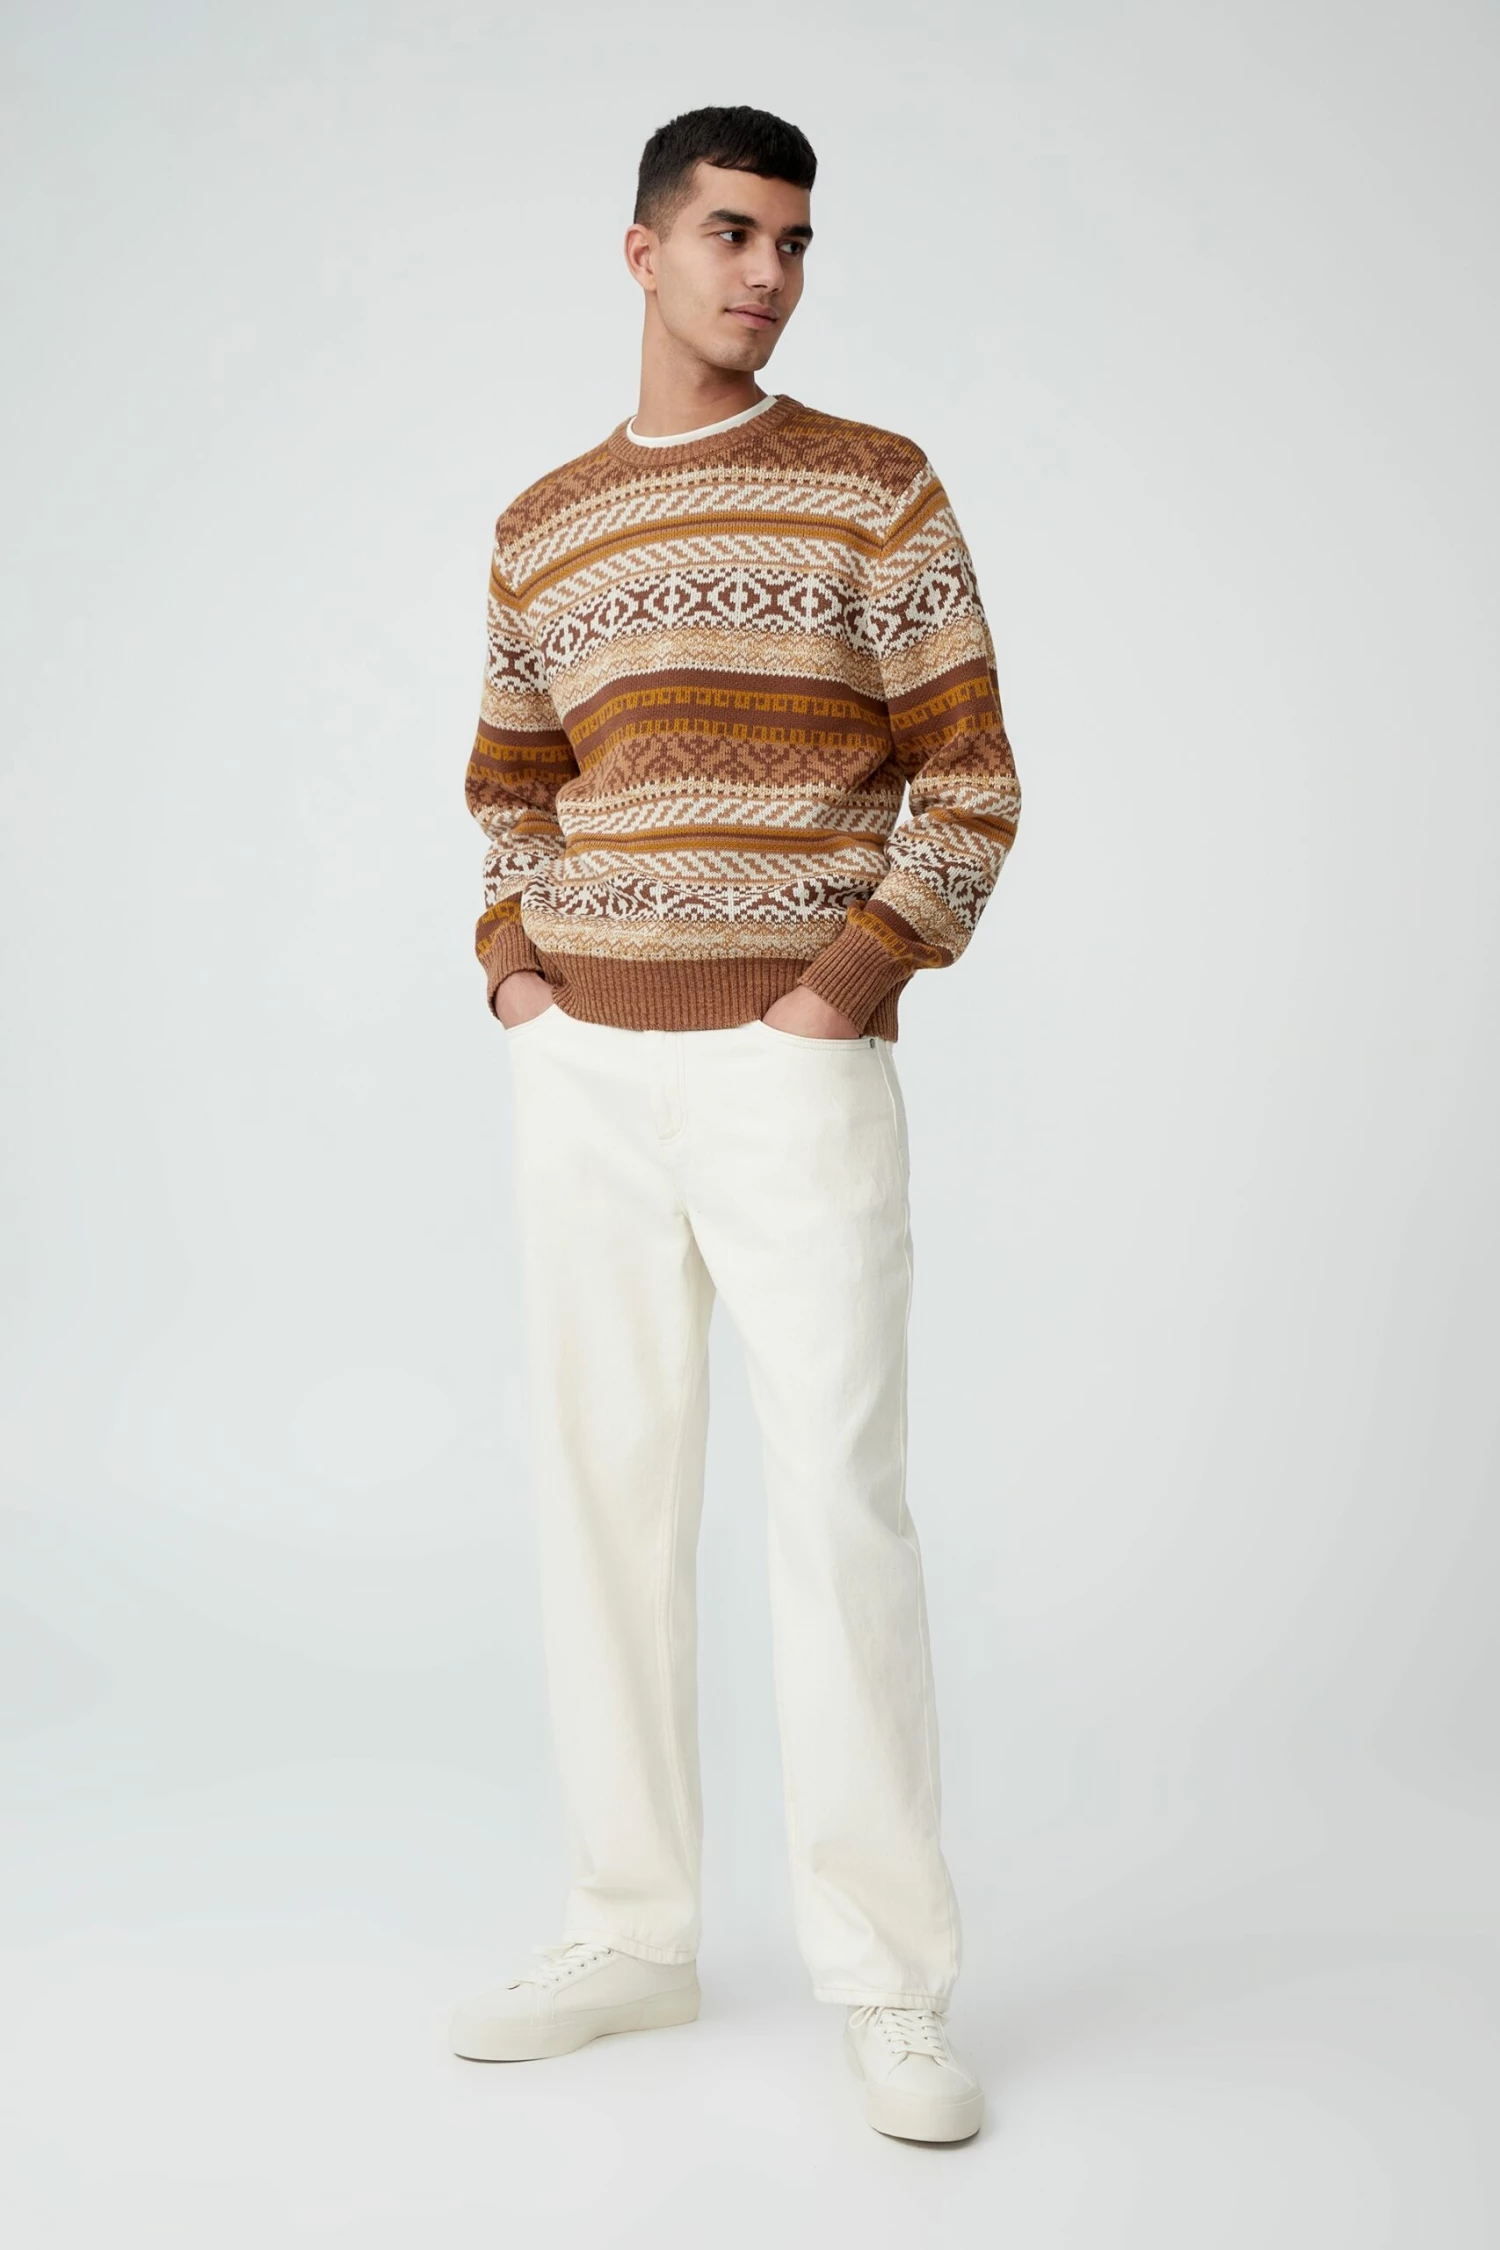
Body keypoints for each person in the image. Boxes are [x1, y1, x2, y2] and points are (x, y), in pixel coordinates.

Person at [449, 103, 1021, 2145]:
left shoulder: (877, 487)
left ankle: (888, 1981)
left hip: (794, 1065)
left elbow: (972, 774)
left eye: (794, 242)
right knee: (603, 1494)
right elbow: (511, 783)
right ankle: (632, 1929)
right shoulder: (544, 523)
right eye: (731, 233)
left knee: (839, 1506)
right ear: (643, 250)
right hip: (584, 1072)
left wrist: (839, 987)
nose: (768, 273)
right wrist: (516, 970)